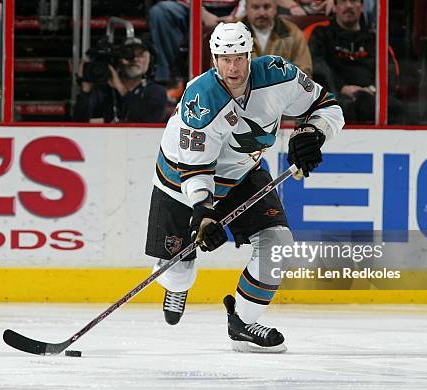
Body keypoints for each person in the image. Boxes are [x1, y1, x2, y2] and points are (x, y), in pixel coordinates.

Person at [145, 22, 344, 352]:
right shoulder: (201, 100)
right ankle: (178, 281)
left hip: (241, 175)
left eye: (238, 57)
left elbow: (327, 105)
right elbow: (195, 168)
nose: (232, 67)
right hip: (179, 182)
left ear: (250, 55)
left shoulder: (279, 75)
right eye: (224, 59)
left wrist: (313, 133)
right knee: (177, 271)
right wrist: (204, 213)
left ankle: (243, 322)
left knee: (278, 242)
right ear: (213, 59)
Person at [308, 0, 401, 123]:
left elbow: (390, 72)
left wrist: (372, 90)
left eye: (353, 1)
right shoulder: (320, 33)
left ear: (362, 6)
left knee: (400, 109)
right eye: (342, 2)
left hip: (372, 98)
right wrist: (342, 87)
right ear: (335, 7)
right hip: (336, 96)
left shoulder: (375, 39)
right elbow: (317, 66)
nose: (348, 5)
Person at [73, 37, 168, 123]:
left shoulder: (156, 92)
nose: (134, 59)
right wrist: (85, 90)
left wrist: (121, 88)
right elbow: (79, 122)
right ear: (118, 60)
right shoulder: (103, 90)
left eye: (140, 55)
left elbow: (147, 122)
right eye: (128, 55)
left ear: (150, 61)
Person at [148, 0, 243, 84]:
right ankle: (170, 80)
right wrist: (200, 11)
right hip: (193, 7)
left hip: (234, 9)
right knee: (160, 12)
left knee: (253, 14)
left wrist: (236, 16)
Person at [242, 0, 313, 76]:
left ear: (275, 8)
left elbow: (304, 72)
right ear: (246, 9)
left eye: (267, 7)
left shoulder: (293, 33)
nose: (262, 13)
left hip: (284, 87)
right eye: (255, 7)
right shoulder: (232, 33)